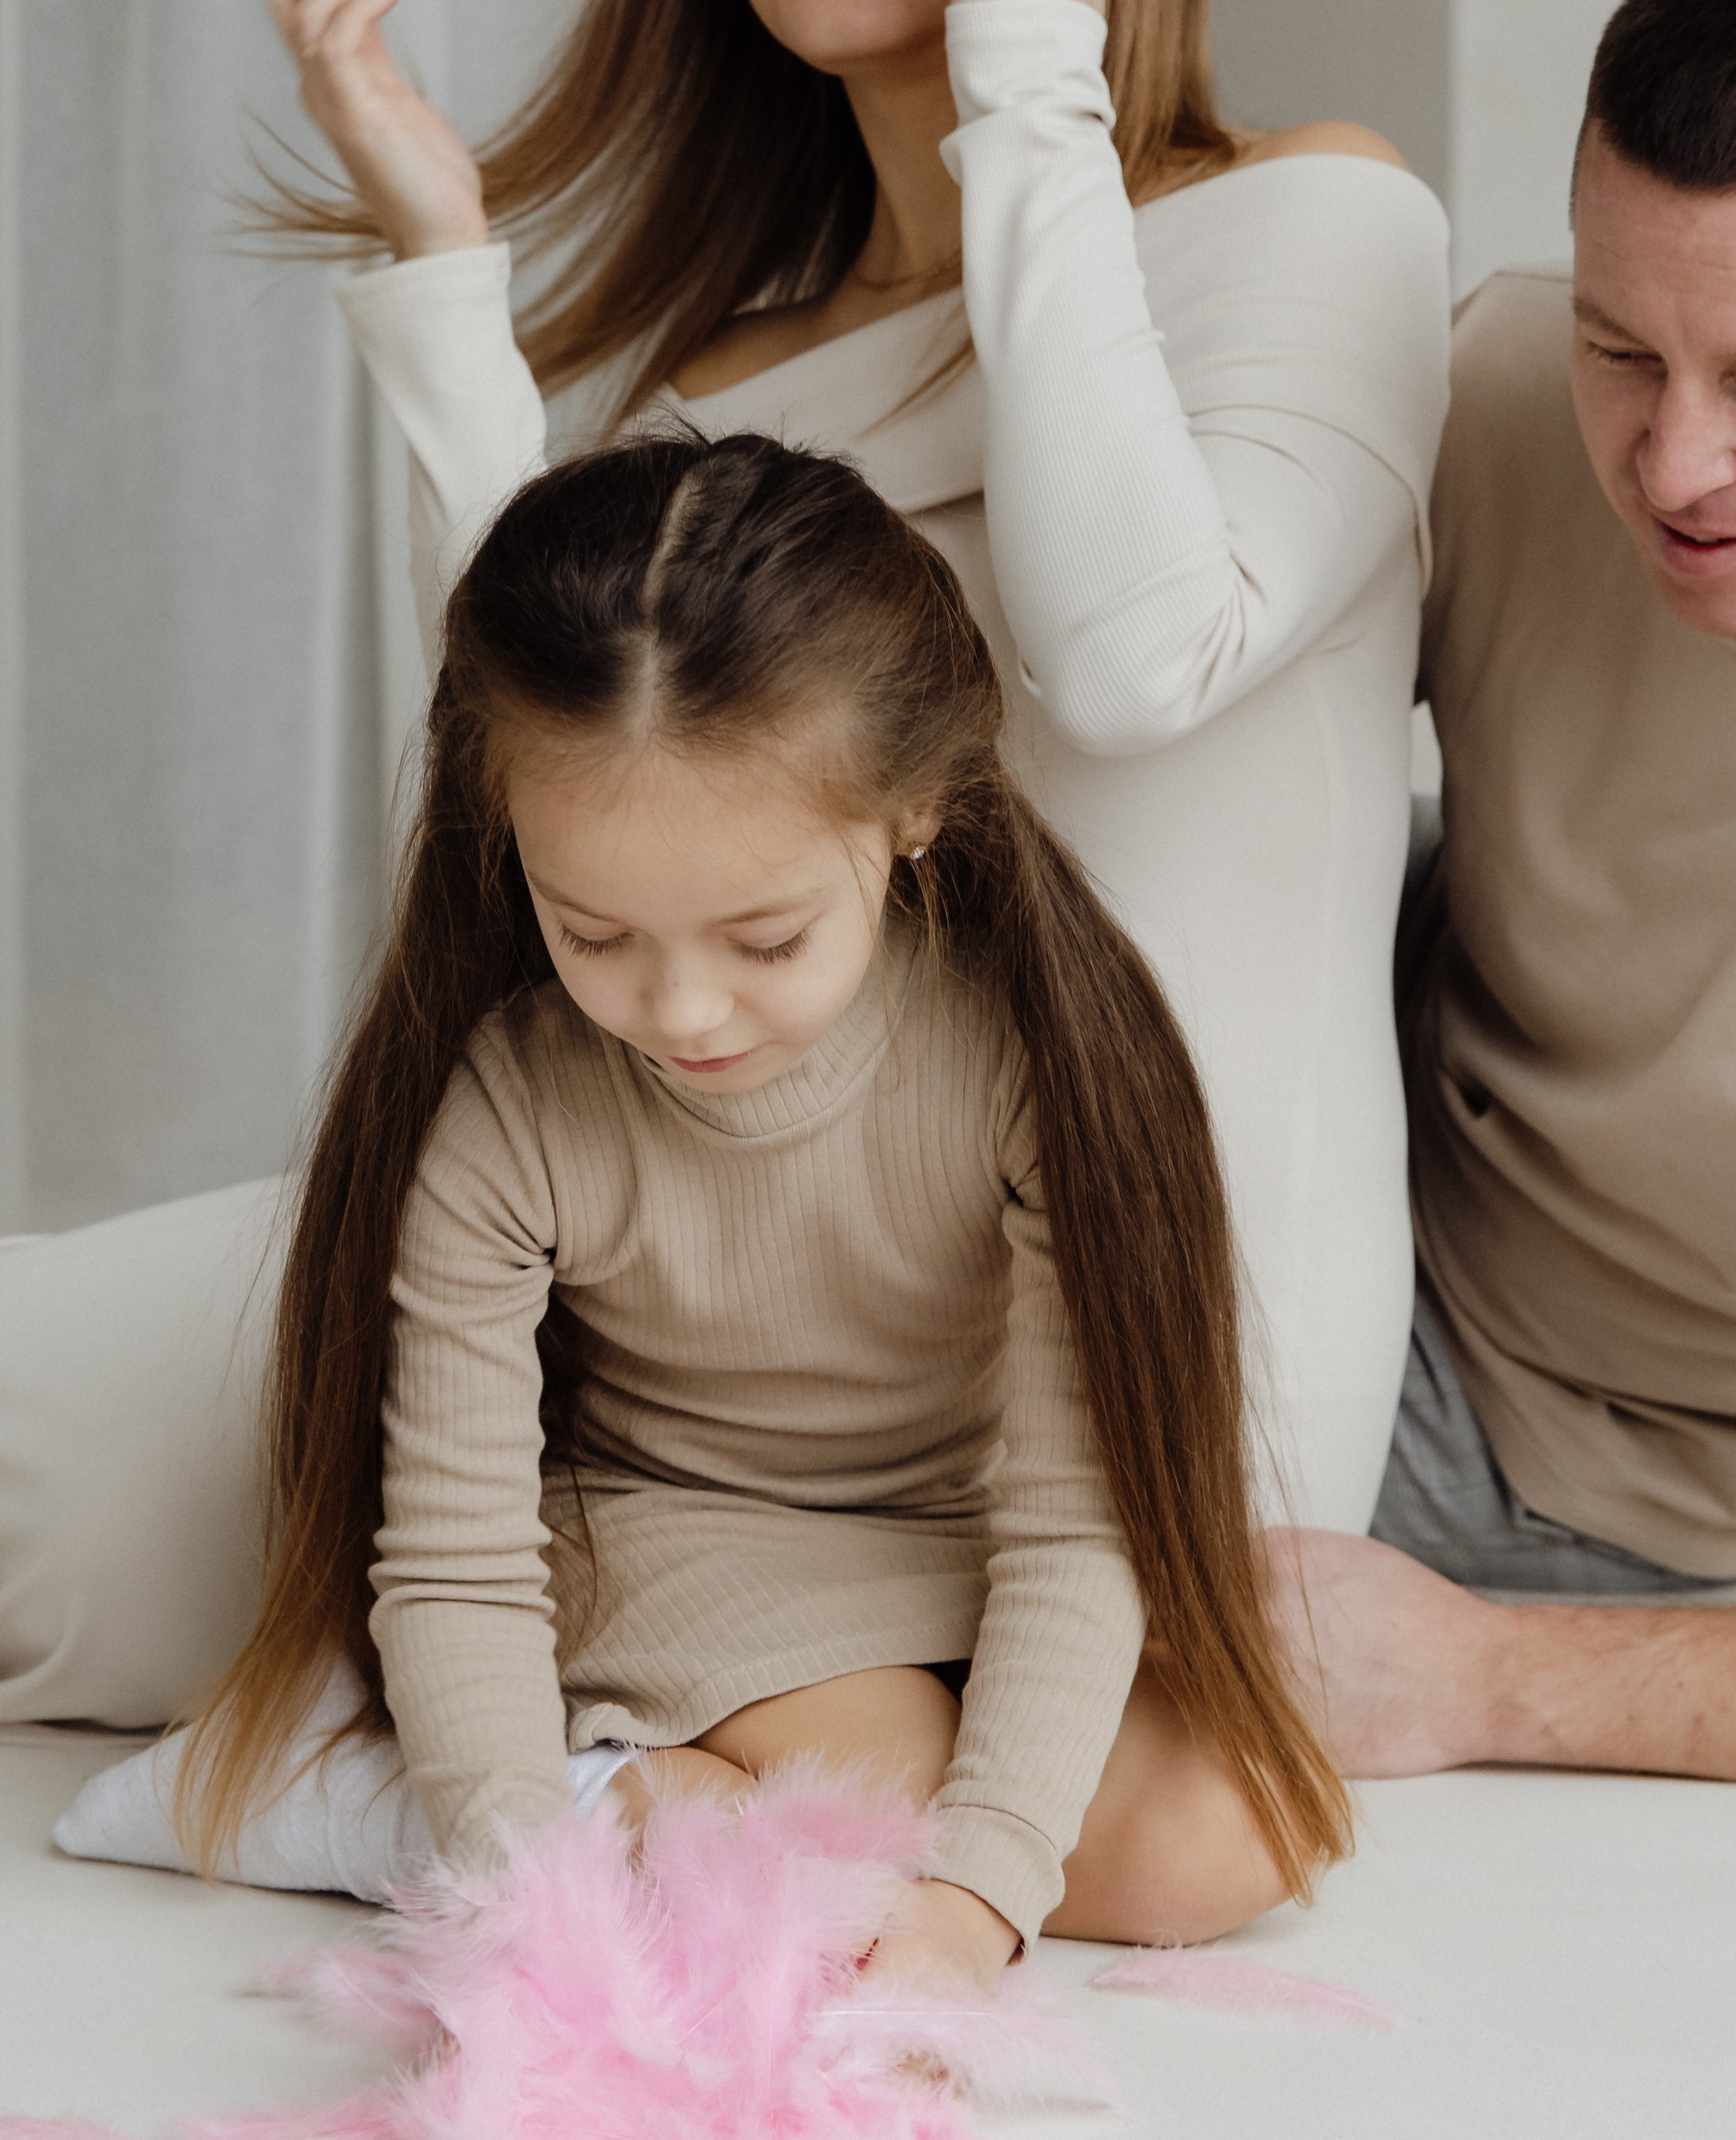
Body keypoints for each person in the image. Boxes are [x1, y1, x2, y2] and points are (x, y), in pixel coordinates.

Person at [169, 431, 1350, 1989]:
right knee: (881, 1770)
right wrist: (528, 1902)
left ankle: (654, 1802)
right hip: (665, 1535)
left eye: (764, 936)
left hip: (940, 1545)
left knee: (1238, 1833)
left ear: (917, 811)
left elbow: (1076, 1520)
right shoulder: (511, 1111)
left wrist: (973, 1908)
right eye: (594, 932)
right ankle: (547, 1803)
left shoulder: (1028, 1064)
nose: (680, 1008)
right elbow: (456, 1563)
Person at [265, 0, 1451, 1534]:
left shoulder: (1315, 219)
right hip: (708, 1310)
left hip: (1149, 1353)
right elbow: (555, 759)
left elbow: (1129, 661)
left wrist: (1032, 66)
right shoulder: (742, 370)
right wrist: (437, 254)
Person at [1270, 0, 1736, 1783]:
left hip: (1664, 1540)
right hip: (1414, 1310)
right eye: (1623, 348)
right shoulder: (1492, 394)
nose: (1677, 468)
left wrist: (1491, 1683)